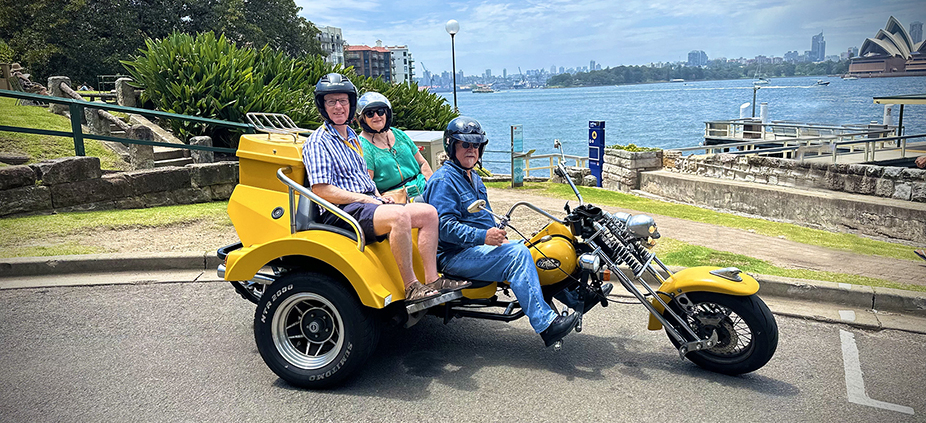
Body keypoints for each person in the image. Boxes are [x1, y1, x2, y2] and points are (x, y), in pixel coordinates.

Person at [302, 73, 470, 303]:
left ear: (351, 105)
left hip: (366, 205)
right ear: (323, 106)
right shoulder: (318, 141)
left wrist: (378, 198)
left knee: (429, 213)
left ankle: (432, 278)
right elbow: (321, 190)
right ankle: (411, 286)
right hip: (343, 211)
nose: (338, 107)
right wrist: (366, 199)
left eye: (343, 101)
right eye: (331, 102)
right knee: (399, 216)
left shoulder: (350, 136)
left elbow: (364, 179)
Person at [423, 116, 580, 347]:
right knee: (517, 256)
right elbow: (443, 227)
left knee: (534, 249)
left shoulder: (474, 179)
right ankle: (546, 326)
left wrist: (496, 233)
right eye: (465, 144)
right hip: (453, 256)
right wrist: (483, 236)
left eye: (476, 145)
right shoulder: (444, 181)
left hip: (478, 249)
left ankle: (575, 299)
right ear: (451, 145)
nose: (471, 150)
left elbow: (484, 217)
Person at [356, 92, 433, 203]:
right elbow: (369, 181)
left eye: (380, 112)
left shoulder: (399, 134)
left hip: (422, 187)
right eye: (370, 113)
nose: (376, 116)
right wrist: (380, 200)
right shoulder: (364, 145)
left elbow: (422, 163)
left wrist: (432, 184)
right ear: (363, 118)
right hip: (395, 197)